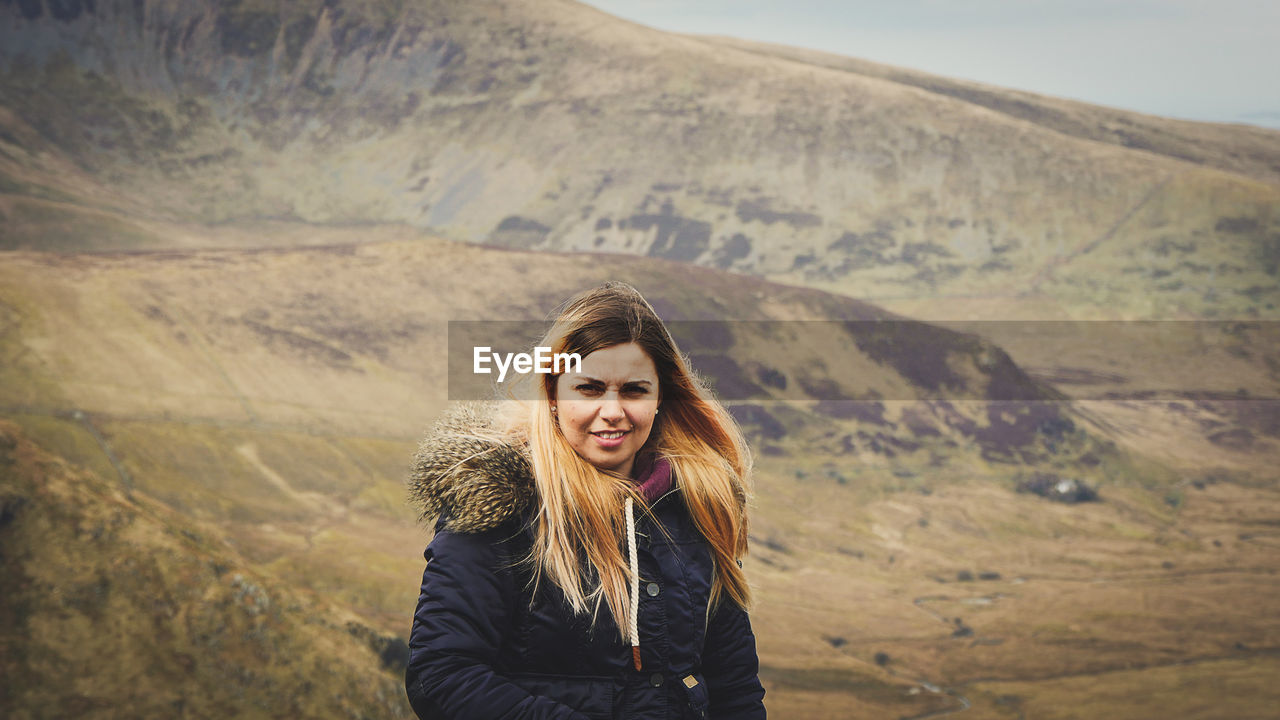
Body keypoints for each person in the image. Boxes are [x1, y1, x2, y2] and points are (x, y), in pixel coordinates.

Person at [405, 281, 766, 719]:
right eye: (590, 389)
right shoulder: (503, 503)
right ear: (553, 394)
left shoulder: (698, 507)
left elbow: (735, 687)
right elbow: (442, 676)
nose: (613, 411)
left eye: (634, 390)